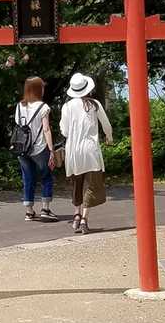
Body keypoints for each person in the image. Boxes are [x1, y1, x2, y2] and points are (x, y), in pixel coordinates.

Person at [60, 72, 113, 234]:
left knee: (77, 183)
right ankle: (84, 219)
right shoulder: (94, 104)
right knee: (92, 184)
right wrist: (109, 137)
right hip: (90, 149)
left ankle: (76, 214)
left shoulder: (67, 107)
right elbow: (106, 125)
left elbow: (64, 131)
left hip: (73, 150)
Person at [14, 76, 57, 221]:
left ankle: (29, 211)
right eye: (42, 87)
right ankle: (45, 209)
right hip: (39, 147)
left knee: (28, 178)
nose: (44, 89)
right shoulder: (43, 107)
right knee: (46, 176)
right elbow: (46, 129)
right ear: (38, 89)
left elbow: (18, 124)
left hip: (22, 148)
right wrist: (51, 150)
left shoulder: (19, 106)